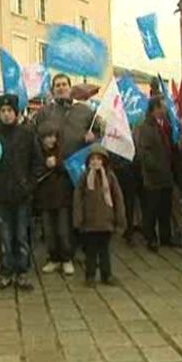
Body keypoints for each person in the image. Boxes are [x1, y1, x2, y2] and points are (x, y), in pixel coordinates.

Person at [35, 73, 97, 274]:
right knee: (49, 223)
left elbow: (100, 134)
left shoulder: (85, 112)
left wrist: (93, 137)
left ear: (71, 88)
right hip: (49, 175)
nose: (61, 88)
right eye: (57, 85)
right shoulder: (44, 113)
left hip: (75, 173)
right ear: (52, 90)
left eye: (64, 84)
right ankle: (54, 257)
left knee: (69, 220)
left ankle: (69, 256)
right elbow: (35, 140)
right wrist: (44, 159)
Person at [0, 94, 45, 290]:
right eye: (3, 111)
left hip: (22, 196)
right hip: (0, 197)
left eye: (10, 111)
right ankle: (6, 272)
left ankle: (22, 272)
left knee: (21, 236)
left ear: (16, 113)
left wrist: (29, 185)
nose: (6, 114)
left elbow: (37, 163)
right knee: (5, 236)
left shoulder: (27, 134)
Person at [73, 144, 126, 287]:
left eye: (98, 159)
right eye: (93, 159)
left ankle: (106, 274)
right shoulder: (84, 177)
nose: (95, 162)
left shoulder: (109, 177)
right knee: (90, 252)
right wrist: (78, 218)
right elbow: (78, 198)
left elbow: (117, 198)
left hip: (106, 221)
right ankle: (90, 275)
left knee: (104, 251)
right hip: (89, 222)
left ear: (104, 161)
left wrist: (120, 219)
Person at [35, 122, 74, 274]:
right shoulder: (37, 153)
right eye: (47, 137)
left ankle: (66, 258)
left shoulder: (63, 152)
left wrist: (57, 164)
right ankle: (54, 258)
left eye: (53, 136)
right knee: (49, 232)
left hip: (62, 198)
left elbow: (70, 168)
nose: (51, 140)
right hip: (45, 199)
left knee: (63, 231)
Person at [138, 96, 176, 251]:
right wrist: (155, 166)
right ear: (155, 108)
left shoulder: (165, 124)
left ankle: (166, 237)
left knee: (165, 209)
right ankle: (151, 238)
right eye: (163, 107)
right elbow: (144, 152)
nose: (165, 109)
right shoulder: (147, 126)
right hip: (153, 176)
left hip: (166, 174)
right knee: (151, 209)